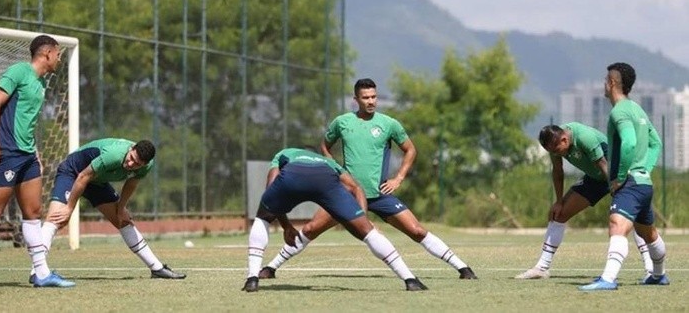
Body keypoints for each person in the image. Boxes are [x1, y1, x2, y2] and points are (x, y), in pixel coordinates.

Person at [259, 78, 476, 280]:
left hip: (379, 193)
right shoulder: (342, 122)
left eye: (374, 97)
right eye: (366, 97)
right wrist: (334, 169)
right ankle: (271, 268)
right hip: (346, 194)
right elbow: (325, 146)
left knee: (417, 230)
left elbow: (410, 150)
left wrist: (398, 178)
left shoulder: (389, 124)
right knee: (310, 229)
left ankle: (462, 268)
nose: (371, 101)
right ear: (356, 99)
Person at [0, 35, 74, 291]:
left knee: (33, 212)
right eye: (58, 54)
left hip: (28, 156)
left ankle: (41, 273)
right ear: (47, 53)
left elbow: (27, 121)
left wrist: (35, 153)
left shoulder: (40, 83)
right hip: (7, 152)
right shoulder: (19, 71)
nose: (59, 59)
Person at [242, 147, 427, 292]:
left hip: (293, 175)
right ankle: (410, 279)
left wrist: (286, 226)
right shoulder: (328, 162)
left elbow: (271, 190)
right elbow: (356, 188)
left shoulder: (285, 153)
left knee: (263, 216)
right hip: (325, 179)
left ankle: (252, 279)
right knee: (368, 232)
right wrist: (362, 220)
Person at [515, 123, 654, 279]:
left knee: (635, 219)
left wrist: (618, 193)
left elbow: (604, 166)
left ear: (564, 140)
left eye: (556, 150)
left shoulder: (584, 137)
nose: (555, 154)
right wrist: (559, 202)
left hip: (615, 174)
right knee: (559, 214)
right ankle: (542, 268)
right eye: (551, 152)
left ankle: (651, 270)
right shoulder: (554, 144)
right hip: (595, 178)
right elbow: (558, 171)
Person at [36, 138, 185, 280]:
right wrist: (69, 207)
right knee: (57, 218)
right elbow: (83, 176)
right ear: (131, 148)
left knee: (123, 221)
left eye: (137, 164)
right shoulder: (113, 155)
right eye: (131, 158)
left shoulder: (147, 166)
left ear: (144, 164)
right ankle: (38, 272)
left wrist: (121, 208)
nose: (131, 164)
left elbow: (131, 184)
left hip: (96, 181)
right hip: (73, 172)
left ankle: (157, 268)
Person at [579, 62, 669, 291]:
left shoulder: (619, 111)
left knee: (616, 224)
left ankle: (608, 279)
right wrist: (644, 169)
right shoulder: (637, 109)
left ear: (612, 83)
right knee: (648, 233)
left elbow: (628, 142)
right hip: (643, 183)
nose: (604, 84)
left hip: (629, 183)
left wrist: (619, 177)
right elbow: (656, 143)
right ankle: (659, 275)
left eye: (605, 80)